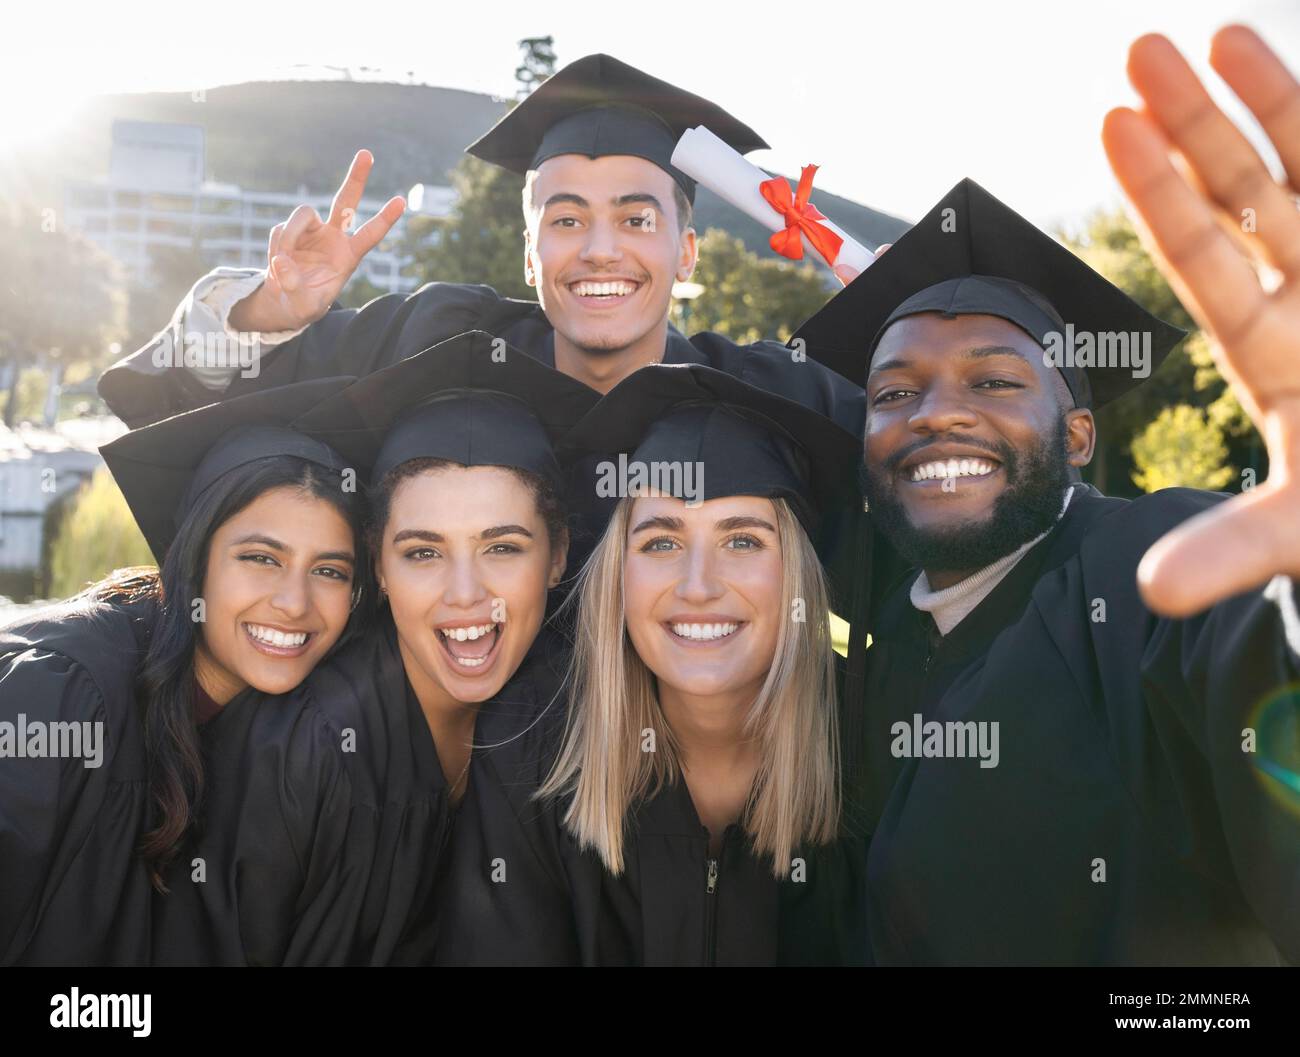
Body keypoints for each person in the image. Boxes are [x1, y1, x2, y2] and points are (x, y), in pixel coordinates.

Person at [791, 168, 1300, 964]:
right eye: (893, 394)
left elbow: (1259, 646)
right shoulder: (890, 635)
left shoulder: (1148, 570)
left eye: (994, 381)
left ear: (1077, 437)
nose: (936, 413)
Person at [94, 54, 865, 578]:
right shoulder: (442, 339)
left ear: (687, 252)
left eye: (635, 220)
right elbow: (190, 402)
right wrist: (271, 309)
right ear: (530, 257)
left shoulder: (762, 395)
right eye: (565, 221)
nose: (599, 250)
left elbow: (929, 459)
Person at [152, 330, 596, 965]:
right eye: (423, 552)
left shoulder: (566, 715)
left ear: (556, 557)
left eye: (503, 547)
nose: (465, 594)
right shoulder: (303, 748)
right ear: (378, 569)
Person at [431, 360, 868, 966]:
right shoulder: (535, 745)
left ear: (797, 571)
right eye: (661, 542)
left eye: (742, 540)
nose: (697, 586)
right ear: (618, 574)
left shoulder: (870, 739)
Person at [0, 378, 370, 965]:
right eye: (260, 558)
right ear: (193, 561)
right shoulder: (61, 695)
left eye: (329, 570)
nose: (295, 603)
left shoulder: (301, 731)